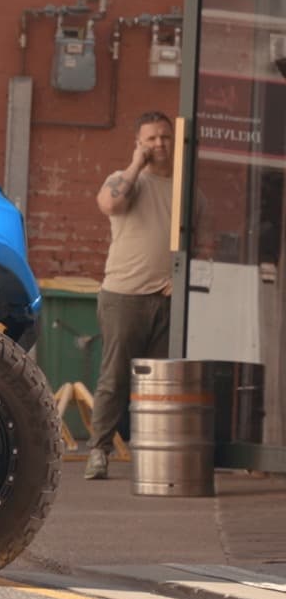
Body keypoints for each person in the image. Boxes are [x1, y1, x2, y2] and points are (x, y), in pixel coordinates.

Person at [87, 109, 176, 479]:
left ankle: (152, 456)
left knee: (160, 383)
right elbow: (109, 204)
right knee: (114, 379)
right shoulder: (125, 181)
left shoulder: (186, 189)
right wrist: (136, 164)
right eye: (151, 138)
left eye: (164, 137)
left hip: (168, 299)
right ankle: (98, 451)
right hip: (123, 296)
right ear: (139, 143)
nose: (159, 144)